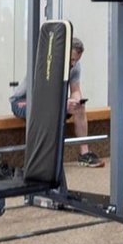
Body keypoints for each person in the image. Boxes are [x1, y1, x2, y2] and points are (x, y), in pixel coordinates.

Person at [9, 35, 103, 167]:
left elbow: (75, 89)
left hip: (51, 101)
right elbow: (41, 96)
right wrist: (62, 104)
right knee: (47, 110)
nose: (74, 64)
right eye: (72, 59)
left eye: (77, 60)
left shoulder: (74, 66)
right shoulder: (48, 63)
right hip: (24, 100)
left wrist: (76, 100)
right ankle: (40, 159)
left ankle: (84, 154)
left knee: (80, 107)